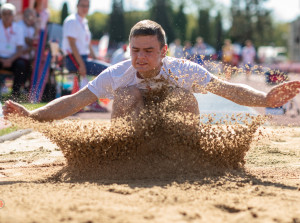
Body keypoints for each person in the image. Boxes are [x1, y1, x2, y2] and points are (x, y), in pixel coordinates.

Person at [3, 20, 300, 125]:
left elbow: (227, 89)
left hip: (174, 123)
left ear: (164, 51)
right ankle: (124, 152)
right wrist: (31, 117)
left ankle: (186, 151)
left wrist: (266, 99)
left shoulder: (184, 70)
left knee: (183, 95)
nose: (140, 57)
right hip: (134, 121)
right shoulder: (117, 73)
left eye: (148, 51)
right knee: (126, 94)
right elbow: (74, 101)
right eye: (135, 50)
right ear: (128, 49)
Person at [62, 0, 109, 112]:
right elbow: (72, 44)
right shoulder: (72, 21)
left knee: (106, 69)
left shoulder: (84, 22)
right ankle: (90, 102)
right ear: (77, 6)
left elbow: (88, 43)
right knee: (106, 70)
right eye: (83, 5)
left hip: (82, 57)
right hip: (72, 58)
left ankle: (90, 101)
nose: (85, 8)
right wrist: (81, 64)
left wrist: (96, 57)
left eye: (87, 6)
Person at [0, 3, 26, 98]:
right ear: (1, 15)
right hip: (0, 59)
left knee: (21, 65)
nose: (7, 16)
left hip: (13, 59)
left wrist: (10, 60)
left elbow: (20, 49)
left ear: (13, 15)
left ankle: (15, 96)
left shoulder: (18, 28)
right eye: (4, 13)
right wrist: (2, 60)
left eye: (9, 14)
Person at [18, 8, 39, 91]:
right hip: (20, 56)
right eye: (29, 16)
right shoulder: (19, 25)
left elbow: (37, 43)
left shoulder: (33, 27)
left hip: (31, 57)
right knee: (22, 66)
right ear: (24, 16)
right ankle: (18, 91)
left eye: (33, 16)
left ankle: (29, 90)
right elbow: (30, 42)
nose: (31, 18)